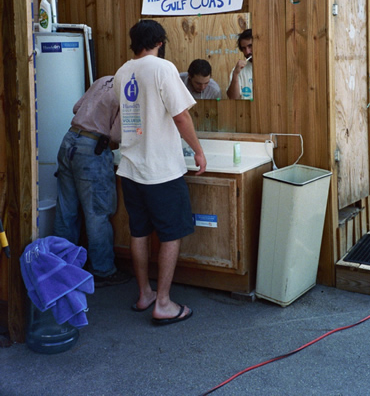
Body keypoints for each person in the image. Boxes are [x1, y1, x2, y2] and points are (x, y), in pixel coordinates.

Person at [114, 20, 206, 325]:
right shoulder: (162, 68)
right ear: (160, 41)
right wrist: (198, 150)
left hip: (130, 168)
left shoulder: (122, 72)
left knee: (138, 232)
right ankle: (164, 303)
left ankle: (145, 294)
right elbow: (181, 117)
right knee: (171, 235)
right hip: (161, 170)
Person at [53, 76, 131, 288]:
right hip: (92, 148)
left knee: (66, 210)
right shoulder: (131, 89)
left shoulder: (105, 79)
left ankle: (62, 267)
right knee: (97, 212)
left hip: (69, 141)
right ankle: (103, 270)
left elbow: (76, 107)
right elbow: (115, 133)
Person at [226, 28, 253, 100]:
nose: (247, 52)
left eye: (250, 46)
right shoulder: (238, 70)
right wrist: (235, 74)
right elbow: (233, 98)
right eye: (244, 48)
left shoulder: (271, 66)